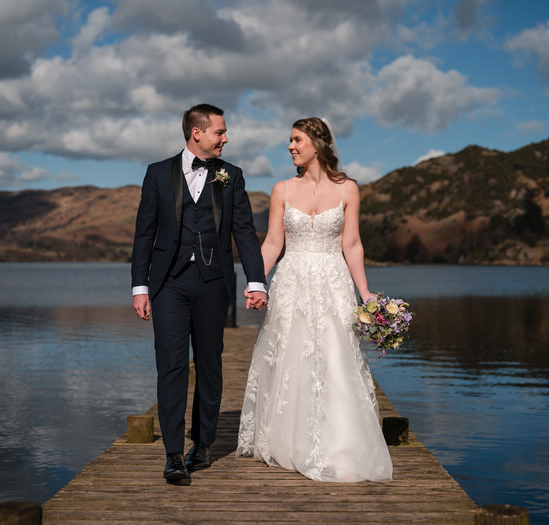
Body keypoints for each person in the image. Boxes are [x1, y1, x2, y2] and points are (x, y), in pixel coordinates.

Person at [236, 117, 393, 482]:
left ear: (318, 143)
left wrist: (365, 292)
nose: (289, 146)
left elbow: (351, 243)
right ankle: (288, 441)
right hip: (291, 281)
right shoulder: (282, 190)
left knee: (334, 357)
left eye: (296, 140)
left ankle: (340, 443)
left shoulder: (348, 189)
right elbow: (273, 243)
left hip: (333, 280)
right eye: (289, 141)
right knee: (290, 354)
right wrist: (256, 283)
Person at [132, 103, 267, 485]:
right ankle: (173, 454)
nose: (226, 138)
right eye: (220, 132)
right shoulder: (157, 173)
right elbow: (145, 233)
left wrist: (255, 281)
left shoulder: (231, 176)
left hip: (212, 283)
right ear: (197, 133)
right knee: (171, 365)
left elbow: (244, 232)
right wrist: (140, 286)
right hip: (168, 284)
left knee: (209, 363)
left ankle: (203, 443)